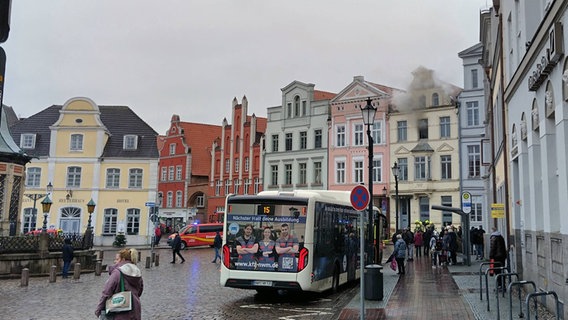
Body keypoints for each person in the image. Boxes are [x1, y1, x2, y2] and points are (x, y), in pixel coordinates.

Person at [95, 248, 143, 320]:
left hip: (120, 311)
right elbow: (140, 291)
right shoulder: (137, 271)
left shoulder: (117, 272)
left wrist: (99, 309)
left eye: (117, 259)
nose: (115, 261)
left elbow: (107, 291)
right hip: (135, 309)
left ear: (123, 259)